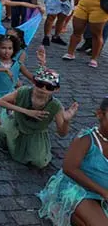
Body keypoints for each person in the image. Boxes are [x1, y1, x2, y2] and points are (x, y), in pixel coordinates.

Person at [38, 97, 108, 226]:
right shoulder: (87, 139)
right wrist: (103, 192)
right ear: (100, 114)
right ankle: (66, 210)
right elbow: (69, 168)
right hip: (81, 189)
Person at [0, 68, 78, 168]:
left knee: (39, 162)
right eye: (40, 84)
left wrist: (66, 121)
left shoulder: (55, 105)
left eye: (49, 87)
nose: (43, 89)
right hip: (17, 123)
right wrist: (26, 111)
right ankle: (6, 144)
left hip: (36, 132)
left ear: (56, 89)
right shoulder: (23, 91)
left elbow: (62, 133)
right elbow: (0, 101)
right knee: (2, 131)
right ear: (34, 83)